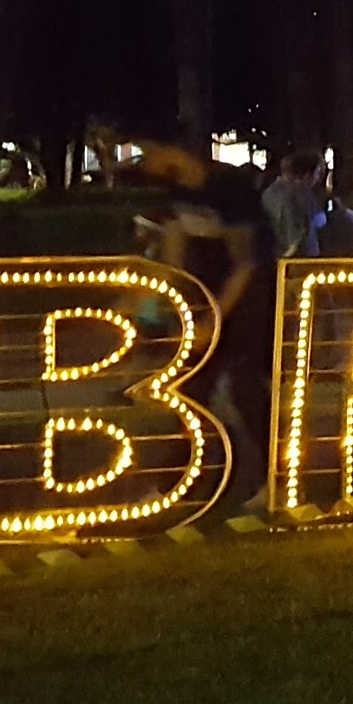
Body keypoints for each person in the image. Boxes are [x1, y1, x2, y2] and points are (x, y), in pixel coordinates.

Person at [128, 133, 277, 511]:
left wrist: (214, 319)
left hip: (250, 299)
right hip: (208, 298)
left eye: (146, 151)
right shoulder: (175, 192)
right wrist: (156, 300)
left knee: (245, 388)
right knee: (191, 391)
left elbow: (247, 263)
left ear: (171, 148)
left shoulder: (231, 189)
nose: (144, 162)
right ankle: (176, 484)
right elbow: (174, 255)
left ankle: (276, 479)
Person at [261, 152, 329, 254]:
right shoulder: (300, 196)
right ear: (306, 174)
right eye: (317, 173)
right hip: (299, 258)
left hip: (273, 255)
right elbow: (297, 238)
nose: (318, 179)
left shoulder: (268, 193)